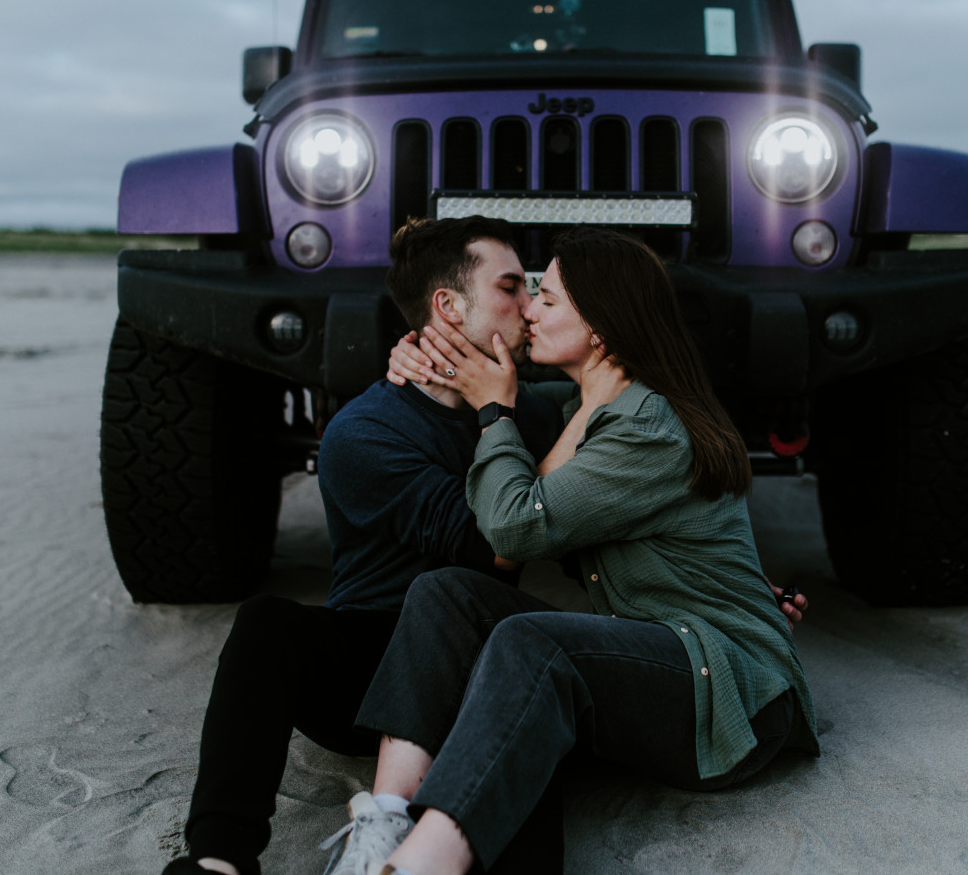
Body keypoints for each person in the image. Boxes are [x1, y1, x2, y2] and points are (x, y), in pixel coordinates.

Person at [341, 228, 820, 875]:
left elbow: (513, 526)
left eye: (549, 298)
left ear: (600, 325)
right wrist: (420, 358)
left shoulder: (643, 427)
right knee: (446, 589)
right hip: (664, 653)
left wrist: (493, 412)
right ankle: (386, 818)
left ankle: (422, 866)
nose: (529, 309)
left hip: (734, 695)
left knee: (532, 641)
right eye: (526, 292)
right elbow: (516, 430)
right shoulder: (587, 409)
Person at [162, 217, 568, 875]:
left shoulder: (530, 410)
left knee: (523, 679)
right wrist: (498, 411)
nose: (528, 305)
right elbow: (491, 546)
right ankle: (216, 860)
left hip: (475, 664)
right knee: (267, 622)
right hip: (368, 670)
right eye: (510, 287)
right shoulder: (364, 432)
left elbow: (599, 406)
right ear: (447, 305)